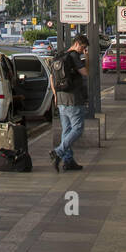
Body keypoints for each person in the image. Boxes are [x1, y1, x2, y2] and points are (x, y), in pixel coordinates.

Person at [48, 35, 89, 173]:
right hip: (73, 99)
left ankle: (68, 160)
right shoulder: (74, 56)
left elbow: (52, 77)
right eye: (83, 47)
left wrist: (55, 95)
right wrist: (86, 58)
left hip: (60, 98)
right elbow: (85, 72)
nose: (83, 50)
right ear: (77, 44)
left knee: (66, 130)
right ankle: (58, 152)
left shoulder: (60, 56)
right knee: (77, 129)